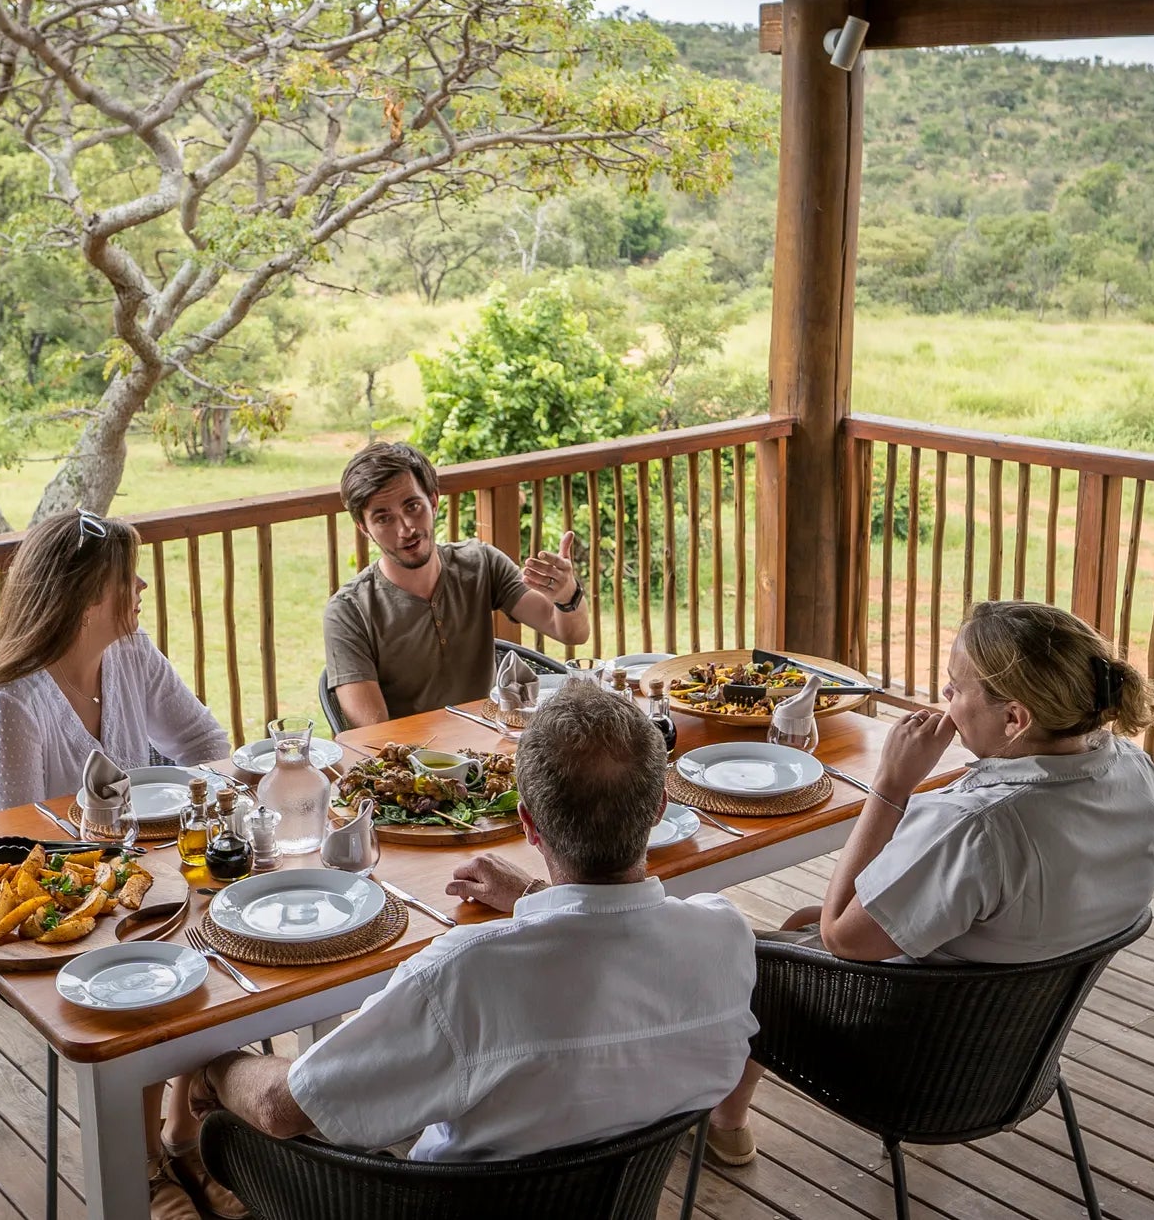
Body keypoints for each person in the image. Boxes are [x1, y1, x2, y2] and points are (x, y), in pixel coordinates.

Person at [166, 681, 757, 1193]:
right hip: (619, 1199)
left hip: (433, 1205)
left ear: (526, 822)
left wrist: (214, 1064)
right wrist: (532, 901)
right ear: (658, 807)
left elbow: (281, 1109)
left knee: (247, 1118)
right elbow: (599, 968)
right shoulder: (723, 940)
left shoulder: (467, 972)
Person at [705, 600, 1154, 1167]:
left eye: (955, 689)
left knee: (754, 954)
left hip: (918, 1063)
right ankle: (727, 1118)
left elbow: (841, 937)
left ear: (1015, 719)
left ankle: (724, 1121)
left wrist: (890, 785)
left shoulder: (979, 826)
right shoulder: (1135, 773)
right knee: (797, 925)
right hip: (1019, 1043)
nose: (946, 703)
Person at [0, 509, 228, 818]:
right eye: (126, 577)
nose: (142, 584)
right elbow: (18, 840)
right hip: (46, 864)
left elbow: (203, 741)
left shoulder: (131, 649)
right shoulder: (7, 704)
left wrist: (188, 821)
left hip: (135, 859)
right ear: (86, 598)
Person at [323, 441, 590, 727]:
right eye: (383, 518)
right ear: (365, 529)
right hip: (411, 765)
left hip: (496, 750)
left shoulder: (480, 563)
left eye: (412, 506)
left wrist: (566, 594)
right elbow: (371, 737)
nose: (406, 529)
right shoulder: (348, 612)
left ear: (434, 501)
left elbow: (572, 632)